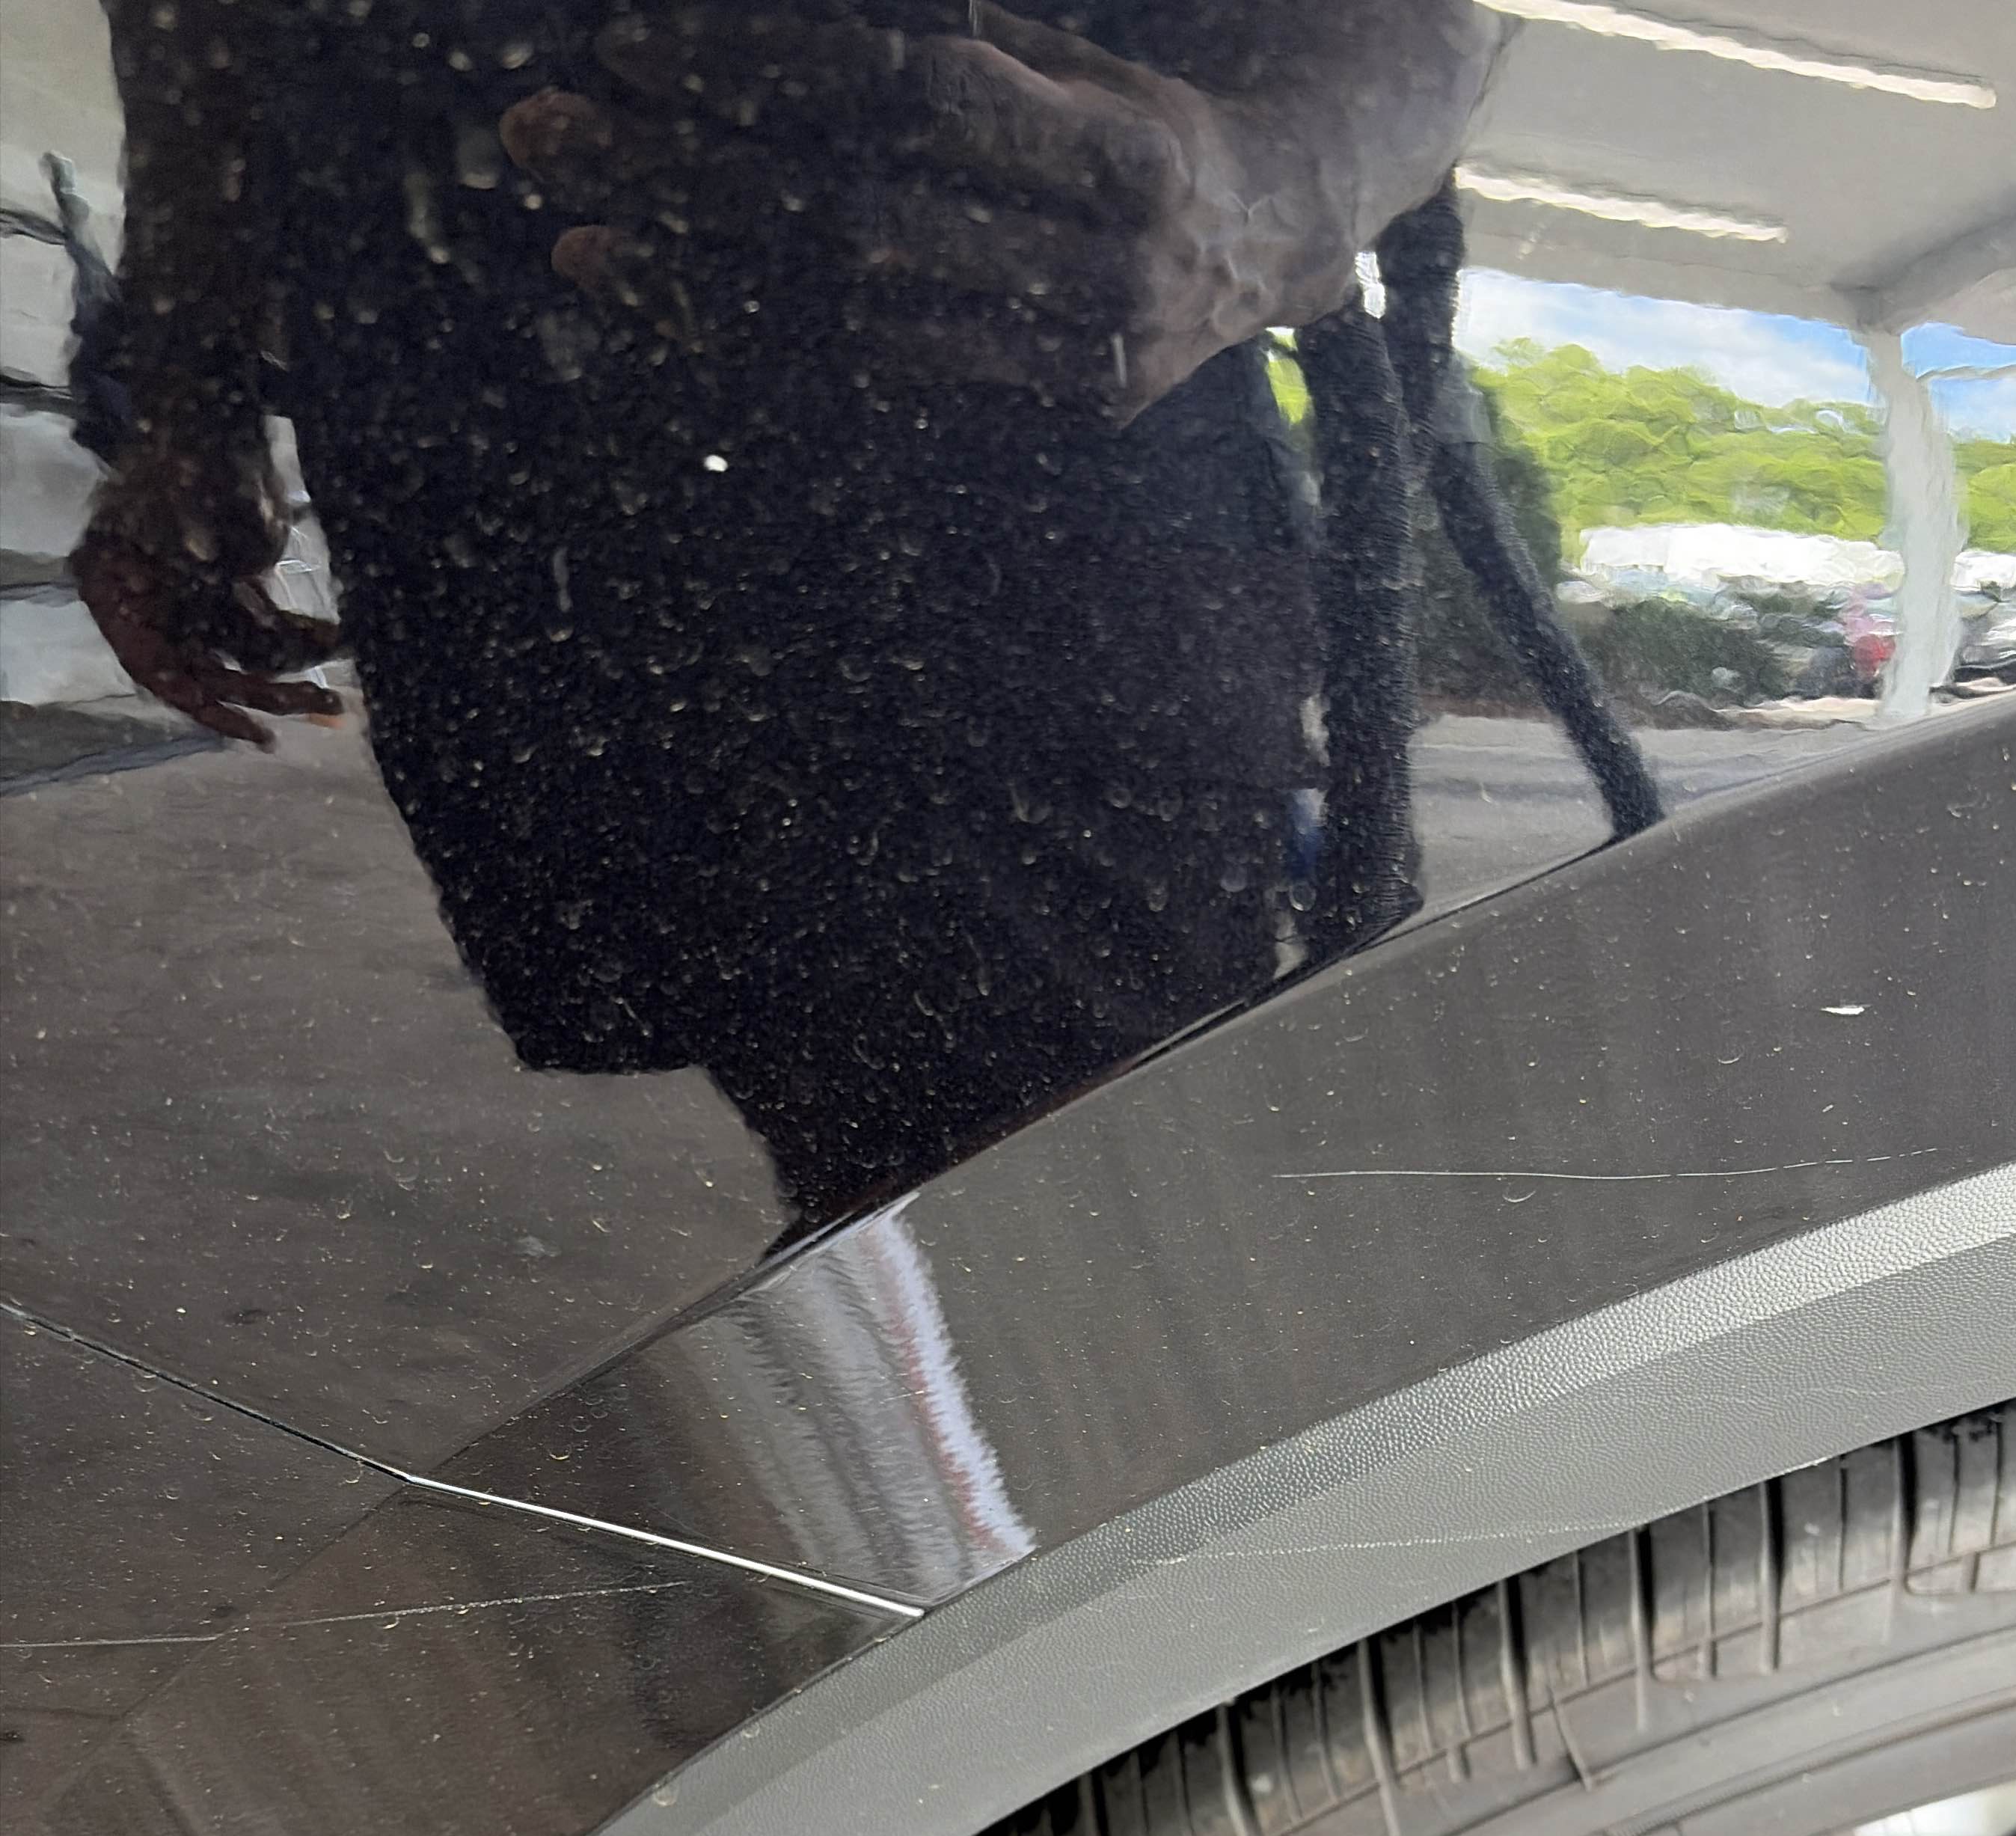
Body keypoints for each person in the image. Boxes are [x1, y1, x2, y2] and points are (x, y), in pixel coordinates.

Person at [76, 0, 1501, 1228]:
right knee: (829, 1121)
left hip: (986, 400)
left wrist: (1273, 189)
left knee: (1051, 1185)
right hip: (464, 431)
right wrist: (183, 397)